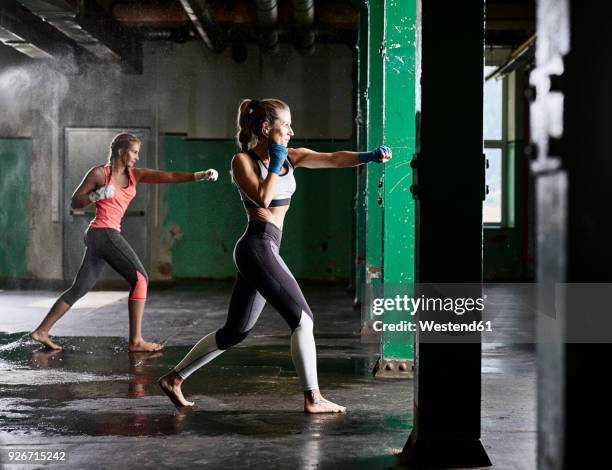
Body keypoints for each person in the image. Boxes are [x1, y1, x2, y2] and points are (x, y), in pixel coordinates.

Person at [158, 99, 391, 413]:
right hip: (256, 246)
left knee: (235, 331)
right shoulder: (242, 161)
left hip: (266, 249)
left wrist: (369, 156)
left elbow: (333, 158)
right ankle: (313, 397)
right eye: (286, 124)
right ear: (267, 128)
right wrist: (277, 156)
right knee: (303, 319)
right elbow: (264, 199)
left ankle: (174, 378)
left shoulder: (292, 157)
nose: (292, 131)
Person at [30, 132, 218, 352]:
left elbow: (169, 176)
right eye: (134, 152)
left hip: (101, 235)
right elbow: (75, 202)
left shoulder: (135, 174)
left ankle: (41, 331)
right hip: (103, 231)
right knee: (140, 278)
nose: (137, 157)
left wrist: (200, 175)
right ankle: (136, 340)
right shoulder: (100, 173)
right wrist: (95, 195)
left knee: (80, 288)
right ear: (121, 151)